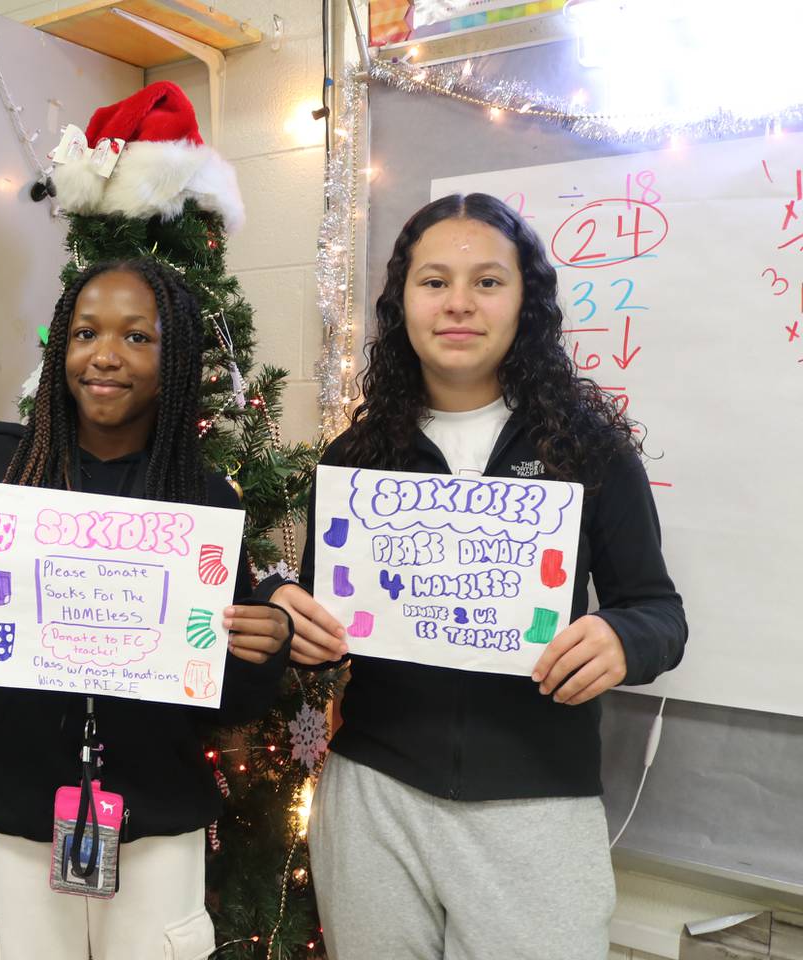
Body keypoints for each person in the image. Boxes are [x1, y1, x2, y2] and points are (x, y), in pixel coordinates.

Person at [260, 193, 688, 960]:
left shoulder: (586, 449)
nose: (458, 303)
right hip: (374, 796)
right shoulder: (356, 460)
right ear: (403, 303)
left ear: (527, 300)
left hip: (538, 807)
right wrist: (289, 617)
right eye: (434, 282)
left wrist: (623, 637)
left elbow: (657, 611)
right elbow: (321, 622)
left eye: (488, 282)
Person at [0, 259, 292, 959]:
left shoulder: (202, 498)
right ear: (60, 349)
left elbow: (225, 697)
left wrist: (262, 648)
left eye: (138, 338)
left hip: (157, 827)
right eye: (85, 333)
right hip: (24, 818)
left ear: (174, 363)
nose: (105, 355)